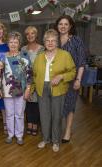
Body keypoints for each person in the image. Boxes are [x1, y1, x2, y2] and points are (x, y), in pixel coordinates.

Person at [33, 29, 76, 152]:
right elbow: (34, 74)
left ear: (57, 42)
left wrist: (61, 76)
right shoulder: (39, 57)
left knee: (56, 116)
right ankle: (46, 139)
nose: (50, 43)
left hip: (58, 89)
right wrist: (32, 89)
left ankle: (56, 141)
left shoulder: (65, 55)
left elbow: (73, 72)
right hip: (42, 89)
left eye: (53, 41)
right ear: (44, 42)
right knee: (44, 116)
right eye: (48, 40)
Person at [0, 32, 32, 145]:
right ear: (7, 43)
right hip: (7, 90)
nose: (13, 44)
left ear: (19, 43)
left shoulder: (25, 55)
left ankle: (19, 135)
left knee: (20, 114)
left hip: (21, 90)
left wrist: (28, 89)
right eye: (11, 42)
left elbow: (29, 74)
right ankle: (10, 135)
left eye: (15, 42)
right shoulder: (1, 55)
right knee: (9, 114)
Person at [55, 15, 86, 143]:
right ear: (57, 26)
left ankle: (67, 130)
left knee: (70, 105)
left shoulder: (76, 41)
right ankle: (55, 130)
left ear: (70, 26)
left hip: (72, 79)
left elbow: (81, 62)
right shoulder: (54, 40)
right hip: (55, 80)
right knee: (57, 106)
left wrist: (78, 79)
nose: (63, 26)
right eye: (60, 24)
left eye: (66, 24)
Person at [21, 26, 44, 136]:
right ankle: (29, 123)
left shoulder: (42, 49)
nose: (30, 36)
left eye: (32, 33)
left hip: (38, 80)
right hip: (26, 80)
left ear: (36, 35)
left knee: (36, 103)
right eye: (28, 34)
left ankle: (35, 124)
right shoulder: (23, 49)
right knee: (28, 103)